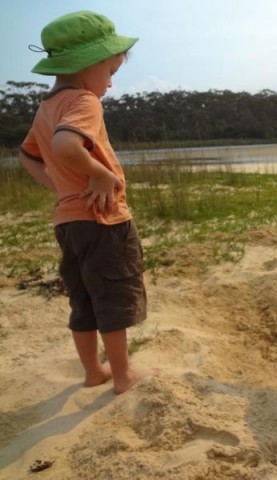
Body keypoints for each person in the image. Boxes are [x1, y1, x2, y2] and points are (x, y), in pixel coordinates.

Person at [19, 11, 156, 394]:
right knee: (112, 298)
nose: (111, 82)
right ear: (88, 64)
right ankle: (124, 377)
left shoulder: (47, 107)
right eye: (110, 71)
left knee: (83, 300)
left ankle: (94, 372)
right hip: (104, 221)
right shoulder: (84, 100)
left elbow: (27, 156)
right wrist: (99, 175)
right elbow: (65, 144)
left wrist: (62, 187)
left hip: (68, 221)